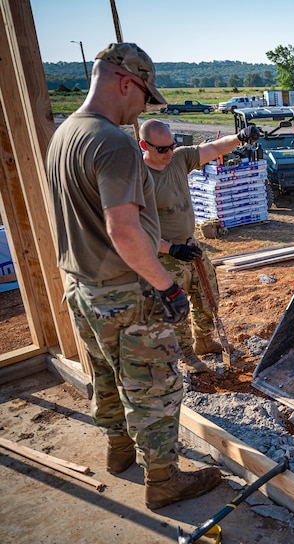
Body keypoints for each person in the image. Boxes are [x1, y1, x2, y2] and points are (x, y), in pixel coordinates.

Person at [45, 42, 222, 510]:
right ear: (126, 81)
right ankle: (163, 481)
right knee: (155, 388)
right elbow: (123, 229)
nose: (144, 107)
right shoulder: (113, 141)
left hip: (81, 289)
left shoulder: (63, 135)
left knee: (105, 375)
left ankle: (119, 452)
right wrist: (166, 286)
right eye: (145, 95)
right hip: (126, 293)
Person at [139, 120, 259, 373]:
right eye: (162, 149)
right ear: (144, 146)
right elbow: (135, 231)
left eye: (172, 146)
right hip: (164, 255)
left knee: (207, 297)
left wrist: (240, 137)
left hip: (191, 246)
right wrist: (170, 249)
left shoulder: (179, 159)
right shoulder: (137, 177)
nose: (169, 153)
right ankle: (186, 354)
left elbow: (214, 148)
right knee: (177, 306)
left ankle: (203, 340)